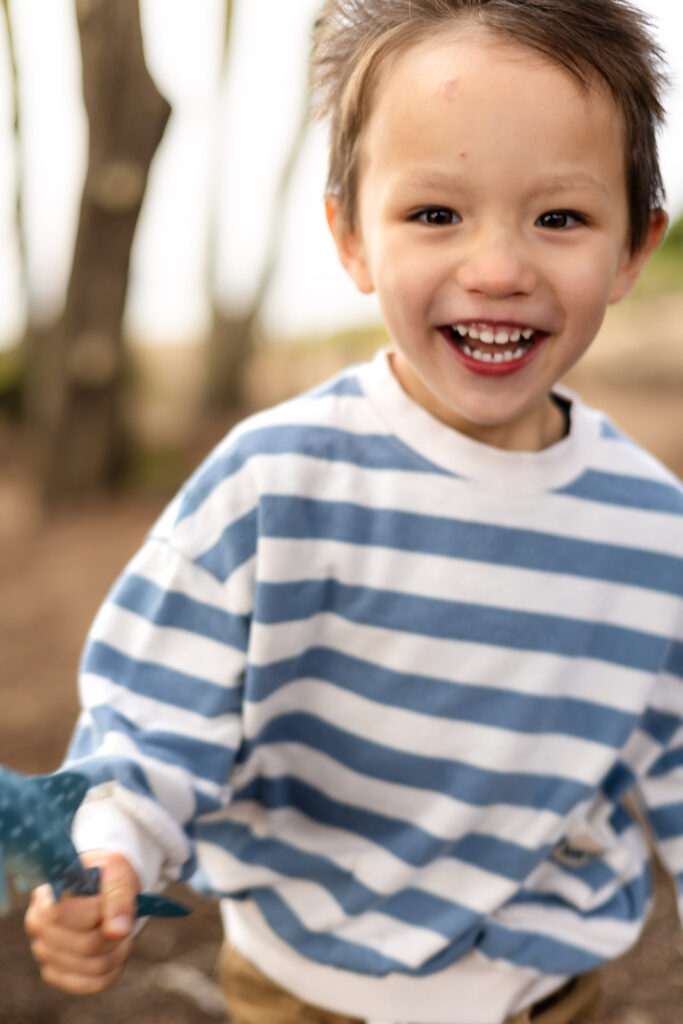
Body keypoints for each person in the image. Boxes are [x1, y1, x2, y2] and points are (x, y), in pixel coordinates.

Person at [24, 1, 682, 1022]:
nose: (498, 269)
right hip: (310, 985)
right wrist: (106, 851)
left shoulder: (649, 526)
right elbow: (154, 718)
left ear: (634, 247)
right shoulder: (277, 482)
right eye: (434, 214)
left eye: (558, 217)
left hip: (551, 988)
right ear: (349, 237)